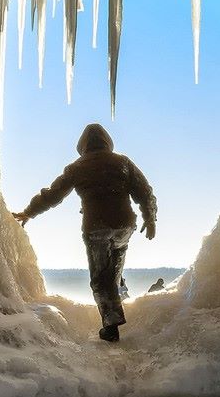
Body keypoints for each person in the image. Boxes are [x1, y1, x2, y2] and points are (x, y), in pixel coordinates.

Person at [13, 124, 157, 342]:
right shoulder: (123, 162)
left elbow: (53, 195)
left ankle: (111, 326)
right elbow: (144, 191)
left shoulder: (78, 167)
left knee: (100, 278)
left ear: (82, 146)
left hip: (96, 227)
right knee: (114, 268)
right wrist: (150, 217)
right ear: (108, 142)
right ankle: (116, 305)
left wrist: (28, 213)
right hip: (124, 225)